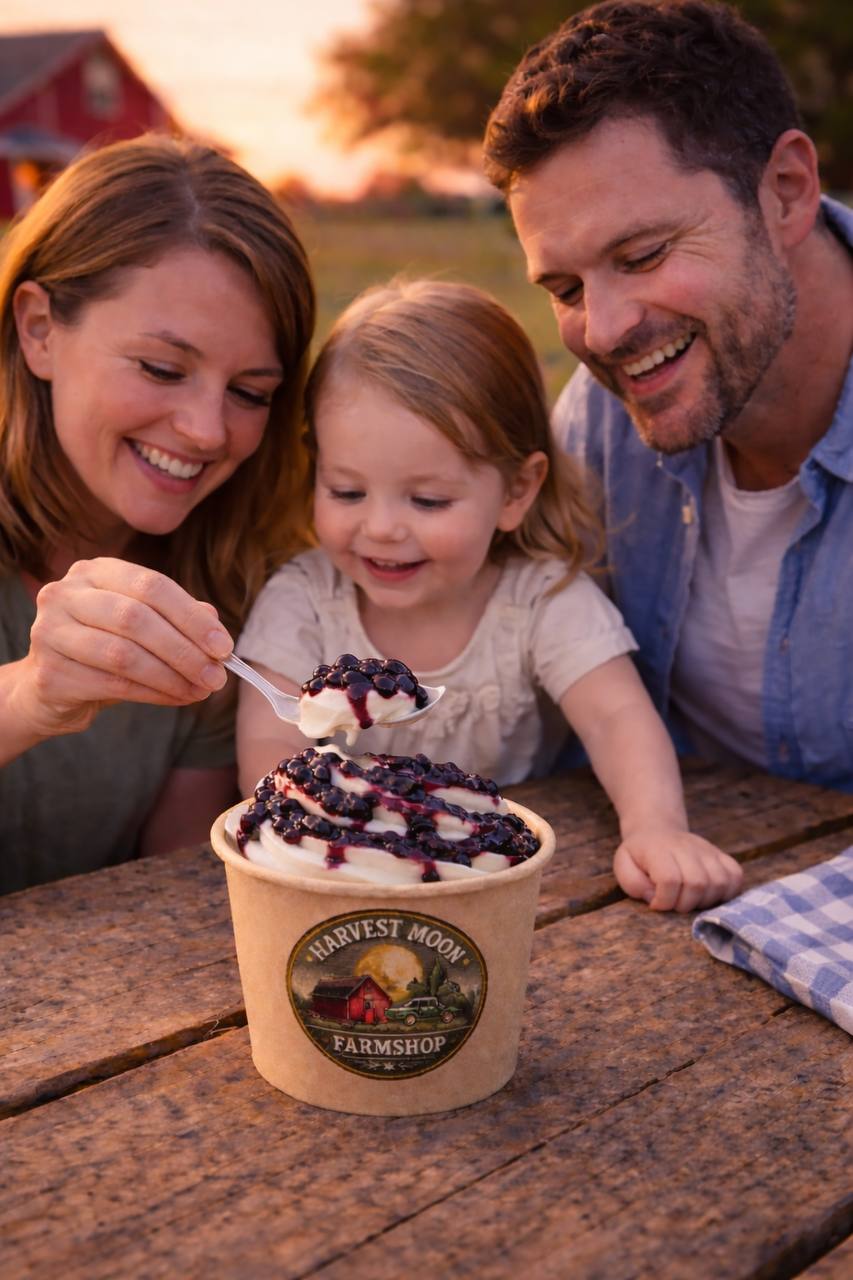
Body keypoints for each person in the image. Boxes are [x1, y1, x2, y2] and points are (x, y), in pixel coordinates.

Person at [235, 278, 742, 912]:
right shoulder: (305, 598)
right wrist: (313, 836)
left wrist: (656, 828)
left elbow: (617, 719)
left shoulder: (540, 600)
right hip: (337, 879)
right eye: (346, 491)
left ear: (516, 491)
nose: (383, 527)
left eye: (428, 500)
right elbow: (268, 742)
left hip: (503, 888)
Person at [483, 0, 853, 791]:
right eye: (565, 287)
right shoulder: (595, 427)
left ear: (785, 191)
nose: (605, 332)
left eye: (642, 254)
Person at [0, 134, 315, 894]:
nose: (207, 431)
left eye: (249, 393)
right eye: (162, 369)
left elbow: (167, 897)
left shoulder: (225, 588)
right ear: (39, 329)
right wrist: (34, 694)